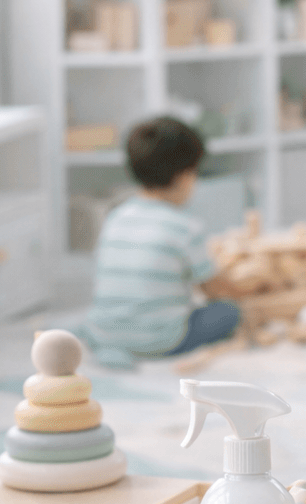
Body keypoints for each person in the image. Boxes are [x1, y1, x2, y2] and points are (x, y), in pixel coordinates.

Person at [80, 117, 240, 369]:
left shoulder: (115, 217)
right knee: (227, 312)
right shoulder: (185, 227)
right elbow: (214, 288)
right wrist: (240, 288)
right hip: (162, 341)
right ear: (184, 176)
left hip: (105, 334)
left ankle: (114, 338)